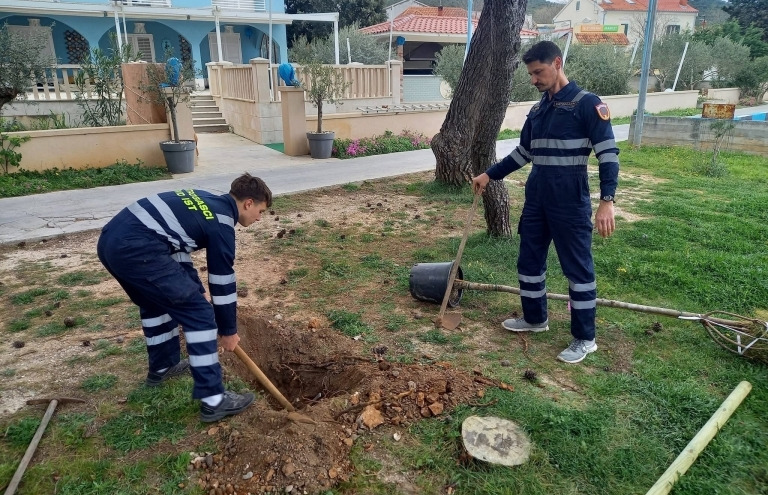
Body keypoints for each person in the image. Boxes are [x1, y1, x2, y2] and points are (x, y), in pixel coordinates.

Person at [471, 41, 619, 364]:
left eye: (538, 72)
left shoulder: (587, 105)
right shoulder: (538, 110)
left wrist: (607, 200)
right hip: (537, 197)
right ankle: (535, 319)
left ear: (557, 62)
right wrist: (489, 175)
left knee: (577, 270)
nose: (534, 79)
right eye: (530, 74)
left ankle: (585, 338)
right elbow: (523, 153)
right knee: (528, 261)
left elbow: (608, 154)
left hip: (570, 199)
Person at [97, 173, 272, 421]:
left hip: (111, 242)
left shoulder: (206, 201)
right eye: (261, 211)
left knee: (155, 301)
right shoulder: (222, 222)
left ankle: (163, 367)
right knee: (200, 315)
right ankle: (214, 400)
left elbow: (176, 245)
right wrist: (228, 330)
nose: (259, 218)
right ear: (248, 203)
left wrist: (193, 285)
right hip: (136, 248)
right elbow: (222, 282)